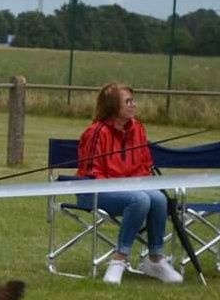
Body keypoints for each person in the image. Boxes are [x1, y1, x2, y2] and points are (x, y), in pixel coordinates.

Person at [74, 81, 183, 285]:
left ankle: (155, 259)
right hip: (93, 190)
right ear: (113, 106)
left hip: (130, 189)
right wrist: (122, 186)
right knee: (139, 199)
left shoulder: (138, 129)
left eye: (133, 101)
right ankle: (119, 259)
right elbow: (91, 172)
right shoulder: (96, 132)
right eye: (128, 101)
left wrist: (136, 182)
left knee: (158, 199)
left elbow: (144, 166)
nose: (134, 105)